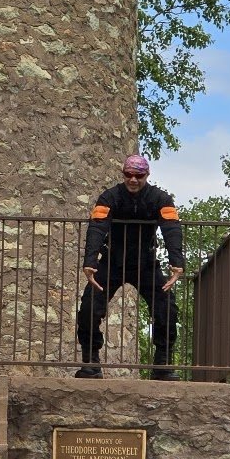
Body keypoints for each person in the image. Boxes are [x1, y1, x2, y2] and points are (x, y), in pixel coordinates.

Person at [75, 154, 184, 380]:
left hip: (146, 264)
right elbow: (97, 227)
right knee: (88, 308)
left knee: (166, 309)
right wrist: (90, 262)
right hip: (112, 262)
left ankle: (162, 364)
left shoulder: (160, 198)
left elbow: (171, 227)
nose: (133, 179)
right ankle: (90, 362)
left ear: (147, 175)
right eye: (128, 174)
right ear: (123, 174)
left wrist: (177, 262)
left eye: (138, 175)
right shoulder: (109, 197)